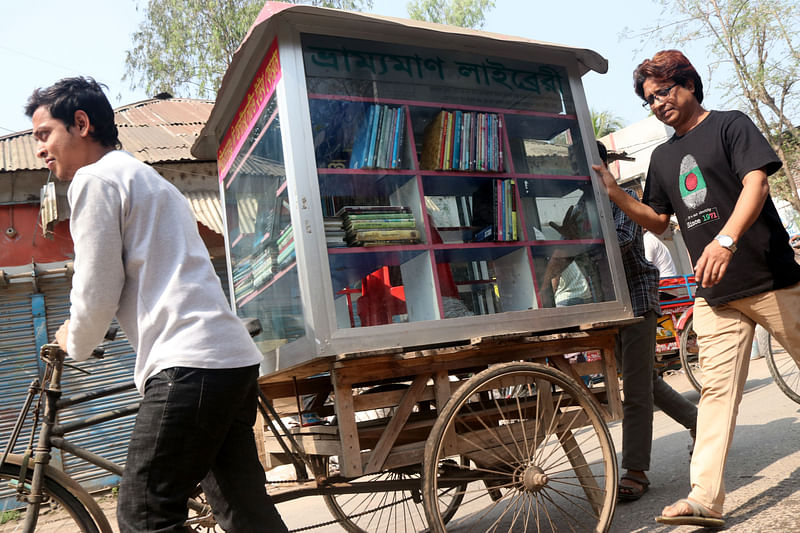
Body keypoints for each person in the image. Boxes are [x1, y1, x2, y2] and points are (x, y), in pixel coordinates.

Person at [27, 77, 288, 533]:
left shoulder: (95, 180)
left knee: (144, 512)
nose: (39, 149)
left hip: (190, 363)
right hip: (230, 360)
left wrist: (75, 337)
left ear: (81, 123)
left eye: (44, 134)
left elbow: (96, 285)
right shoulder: (146, 178)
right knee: (244, 512)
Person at [593, 50, 800, 528]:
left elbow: (757, 185)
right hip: (715, 296)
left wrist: (726, 240)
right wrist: (615, 193)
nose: (658, 103)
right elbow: (660, 222)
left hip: (771, 279)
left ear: (688, 84)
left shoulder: (731, 125)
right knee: (716, 396)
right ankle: (705, 496)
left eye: (664, 91)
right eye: (649, 99)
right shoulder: (663, 157)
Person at [596, 141, 697, 503]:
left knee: (636, 391)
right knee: (644, 382)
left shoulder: (623, 197)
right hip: (609, 306)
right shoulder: (582, 202)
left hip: (637, 300)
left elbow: (623, 240)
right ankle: (699, 422)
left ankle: (635, 471)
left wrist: (577, 240)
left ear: (601, 165)